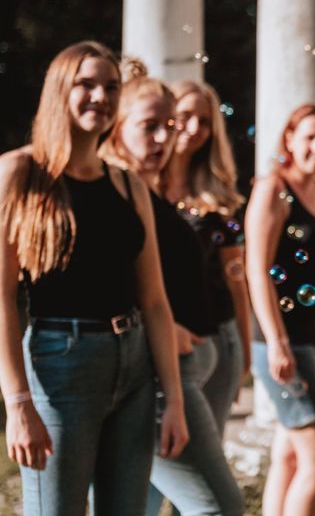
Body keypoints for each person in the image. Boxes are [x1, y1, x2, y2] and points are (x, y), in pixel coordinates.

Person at [0, 41, 189, 514]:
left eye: (110, 86)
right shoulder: (19, 172)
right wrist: (18, 404)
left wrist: (175, 401)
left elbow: (156, 302)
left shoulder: (128, 183)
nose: (100, 96)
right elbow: (0, 297)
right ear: (60, 88)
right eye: (86, 84)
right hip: (60, 366)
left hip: (135, 369)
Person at [99, 63, 244, 515]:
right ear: (118, 128)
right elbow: (104, 280)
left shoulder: (146, 191)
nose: (166, 137)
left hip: (183, 371)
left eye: (169, 126)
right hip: (159, 375)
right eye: (151, 127)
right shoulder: (114, 190)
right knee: (218, 507)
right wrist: (156, 328)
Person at [245, 103, 315, 515]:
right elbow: (256, 270)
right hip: (284, 342)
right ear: (289, 139)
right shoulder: (273, 189)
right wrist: (278, 342)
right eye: (309, 137)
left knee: (289, 455)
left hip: (314, 338)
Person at [161, 80, 251, 438]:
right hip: (162, 335)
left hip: (218, 338)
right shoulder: (141, 186)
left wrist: (243, 347)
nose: (195, 128)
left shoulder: (217, 196)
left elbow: (235, 279)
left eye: (204, 120)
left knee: (205, 446)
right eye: (185, 116)